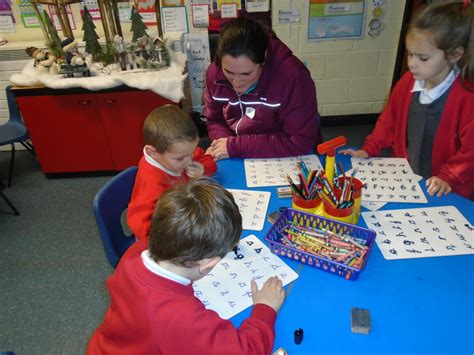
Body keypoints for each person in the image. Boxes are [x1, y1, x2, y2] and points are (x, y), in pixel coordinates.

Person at [87, 177, 286, 354]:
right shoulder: (181, 318)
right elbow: (245, 351)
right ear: (208, 263)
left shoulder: (137, 251)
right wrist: (265, 308)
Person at [341, 1, 474, 200]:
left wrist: (448, 176)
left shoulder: (467, 98)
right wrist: (369, 149)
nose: (412, 64)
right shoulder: (408, 82)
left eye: (423, 58)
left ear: (454, 54)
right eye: (410, 54)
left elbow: (470, 152)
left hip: (450, 188)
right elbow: (388, 122)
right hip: (409, 177)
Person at [204, 16, 321, 160]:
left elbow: (299, 141)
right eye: (228, 72)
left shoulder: (293, 77)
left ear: (264, 59)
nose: (236, 82)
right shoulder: (213, 73)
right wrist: (222, 143)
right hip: (238, 151)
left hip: (286, 154)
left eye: (246, 73)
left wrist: (235, 146)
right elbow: (215, 119)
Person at [127, 105, 217, 241]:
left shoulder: (180, 152)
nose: (188, 162)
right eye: (180, 158)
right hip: (164, 238)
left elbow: (208, 160)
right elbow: (146, 228)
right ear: (153, 153)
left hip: (185, 215)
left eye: (191, 154)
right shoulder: (153, 184)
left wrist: (203, 168)